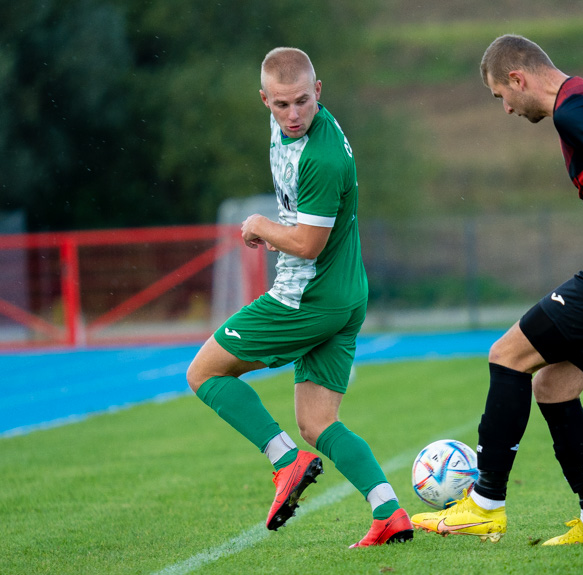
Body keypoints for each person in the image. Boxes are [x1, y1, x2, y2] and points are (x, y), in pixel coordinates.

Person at [411, 34, 583, 545]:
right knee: (554, 386)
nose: (506, 109)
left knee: (508, 354)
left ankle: (485, 503)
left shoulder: (572, 107)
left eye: (501, 96)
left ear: (518, 79)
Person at [186, 47, 413, 548]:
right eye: (281, 105)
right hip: (344, 295)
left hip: (307, 298)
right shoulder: (285, 124)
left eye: (303, 103)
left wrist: (260, 226)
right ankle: (389, 512)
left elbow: (309, 244)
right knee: (318, 422)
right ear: (264, 100)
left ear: (320, 94)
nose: (293, 116)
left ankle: (286, 461)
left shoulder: (323, 157)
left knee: (202, 373)